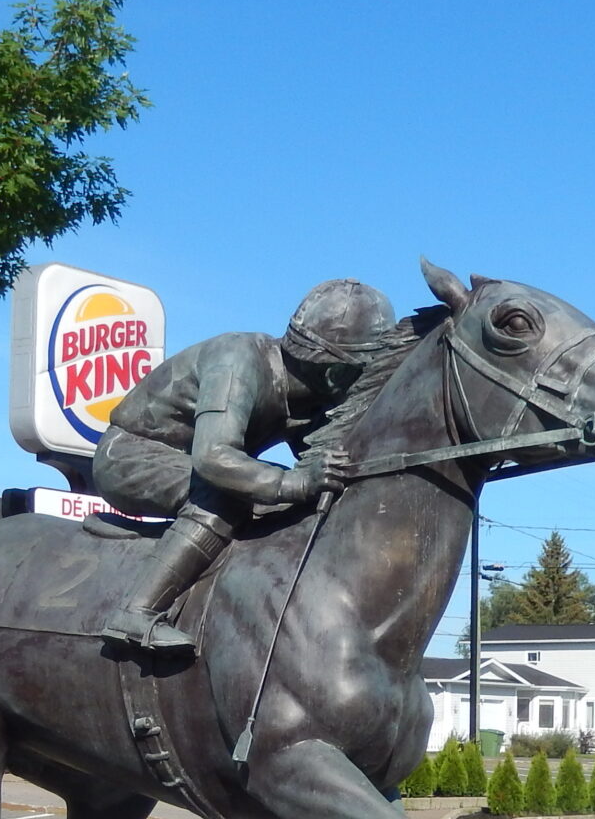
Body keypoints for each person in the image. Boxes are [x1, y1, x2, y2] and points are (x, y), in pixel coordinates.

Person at [93, 278, 397, 654]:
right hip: (129, 456)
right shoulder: (238, 361)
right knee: (228, 495)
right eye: (364, 375)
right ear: (336, 374)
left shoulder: (310, 401)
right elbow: (214, 456)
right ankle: (135, 611)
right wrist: (298, 484)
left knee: (281, 495)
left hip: (193, 463)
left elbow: (318, 465)